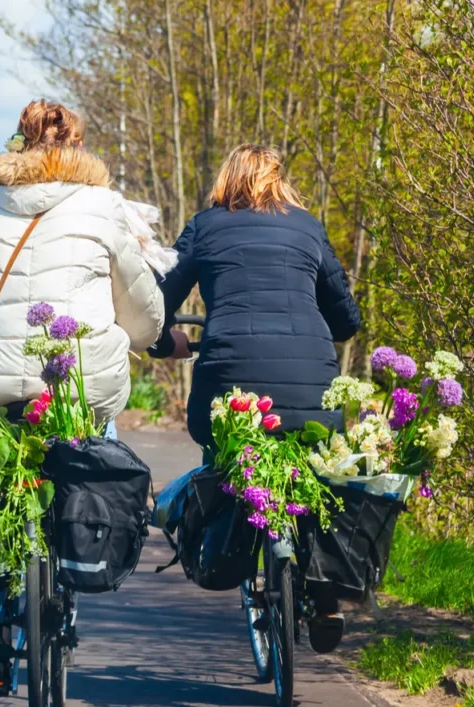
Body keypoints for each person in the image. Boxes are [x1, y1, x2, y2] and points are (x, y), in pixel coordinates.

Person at [0, 99, 164, 693]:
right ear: (77, 146)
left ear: (18, 144)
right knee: (90, 445)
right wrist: (145, 335)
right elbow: (138, 302)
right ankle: (80, 561)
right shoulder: (103, 206)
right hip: (76, 380)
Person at [148, 143, 361, 654]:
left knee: (222, 448)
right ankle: (326, 592)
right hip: (313, 387)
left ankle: (228, 545)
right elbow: (347, 320)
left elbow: (157, 306)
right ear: (278, 180)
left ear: (226, 181)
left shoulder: (204, 226)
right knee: (318, 468)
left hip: (230, 385)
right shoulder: (308, 227)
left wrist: (165, 343)